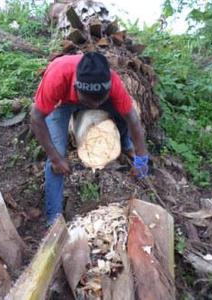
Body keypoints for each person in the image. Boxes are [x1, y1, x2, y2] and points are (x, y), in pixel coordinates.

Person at [31, 52, 148, 223]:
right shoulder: (57, 76)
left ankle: (125, 144)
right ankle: (53, 218)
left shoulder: (112, 82)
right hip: (62, 103)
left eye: (99, 101)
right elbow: (36, 117)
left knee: (122, 113)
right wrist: (56, 159)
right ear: (76, 87)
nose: (94, 107)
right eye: (89, 102)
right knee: (58, 152)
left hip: (91, 96)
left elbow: (133, 119)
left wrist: (142, 158)